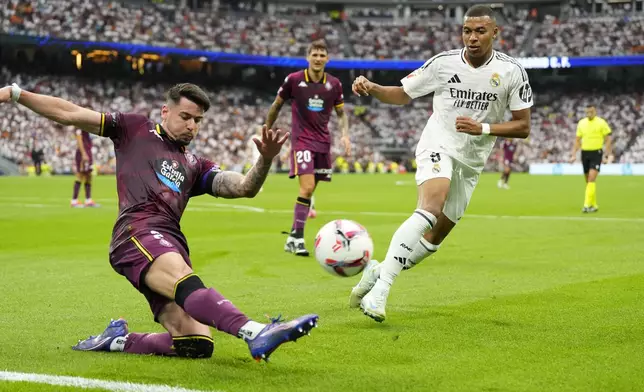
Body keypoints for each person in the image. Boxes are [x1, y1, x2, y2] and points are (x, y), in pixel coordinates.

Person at [0, 82, 319, 361]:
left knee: (196, 342)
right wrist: (16, 93)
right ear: (165, 111)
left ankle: (119, 340)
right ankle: (256, 331)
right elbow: (69, 112)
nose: (192, 125)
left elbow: (244, 188)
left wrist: (264, 159)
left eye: (198, 120)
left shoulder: (196, 164)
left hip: (170, 242)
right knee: (184, 279)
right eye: (186, 116)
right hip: (136, 233)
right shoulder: (134, 128)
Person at [348, 5, 533, 322]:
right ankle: (381, 293)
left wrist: (484, 128)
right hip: (438, 143)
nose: (472, 38)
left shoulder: (512, 72)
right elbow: (404, 94)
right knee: (430, 208)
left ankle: (379, 271)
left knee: (435, 238)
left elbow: (523, 126)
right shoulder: (443, 63)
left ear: (495, 33)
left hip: (472, 161)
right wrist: (374, 88)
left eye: (479, 31)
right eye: (467, 31)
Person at [265, 39, 351, 257]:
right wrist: (266, 128)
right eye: (315, 54)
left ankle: (293, 236)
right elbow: (277, 105)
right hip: (302, 140)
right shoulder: (294, 80)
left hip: (323, 142)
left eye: (322, 55)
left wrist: (345, 135)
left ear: (327, 59)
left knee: (310, 189)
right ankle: (298, 238)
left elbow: (341, 114)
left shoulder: (334, 84)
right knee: (306, 188)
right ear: (308, 57)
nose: (318, 58)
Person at [569, 106, 613, 213]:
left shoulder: (601, 123)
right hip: (585, 153)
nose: (589, 114)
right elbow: (577, 140)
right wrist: (573, 154)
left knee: (591, 179)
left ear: (595, 111)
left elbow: (608, 139)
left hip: (596, 153)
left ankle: (587, 205)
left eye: (591, 112)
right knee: (588, 180)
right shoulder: (581, 123)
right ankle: (594, 204)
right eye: (587, 112)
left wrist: (607, 154)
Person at [71, 129, 99, 207]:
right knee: (80, 175)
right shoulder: (79, 126)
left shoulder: (84, 126)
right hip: (83, 153)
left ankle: (88, 200)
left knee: (88, 176)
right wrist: (83, 153)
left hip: (88, 151)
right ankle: (74, 201)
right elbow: (79, 139)